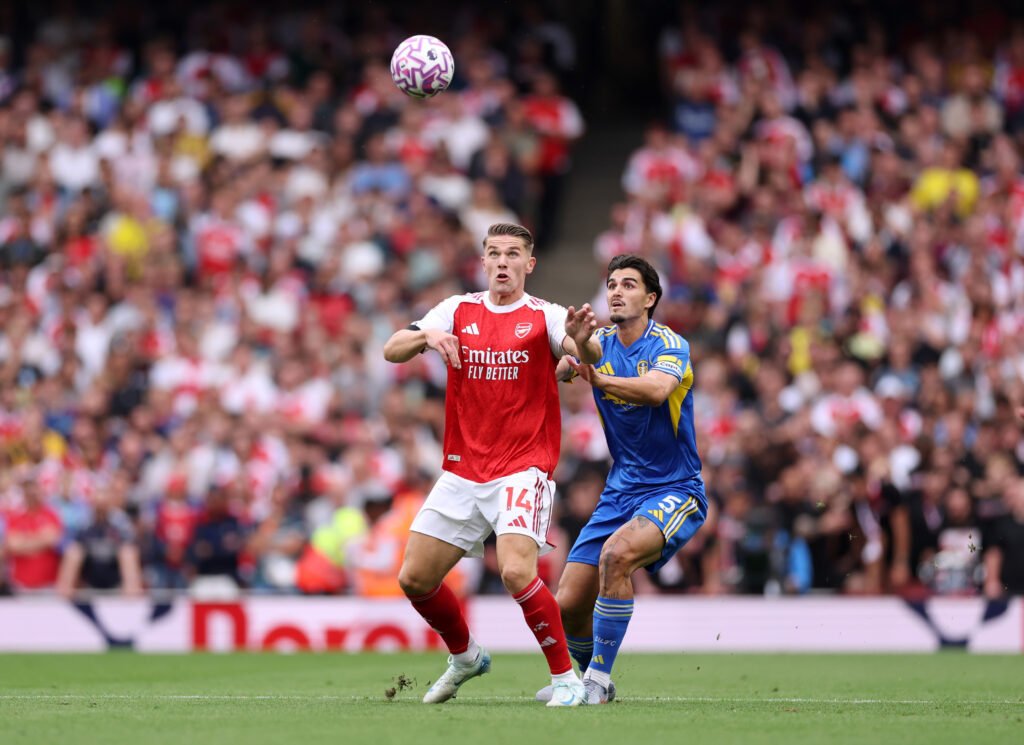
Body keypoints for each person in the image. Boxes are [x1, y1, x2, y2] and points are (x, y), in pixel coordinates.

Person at [382, 222, 601, 707]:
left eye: (513, 254)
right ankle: (465, 656)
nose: (503, 262)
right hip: (463, 469)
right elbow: (391, 348)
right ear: (483, 261)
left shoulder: (546, 316)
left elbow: (588, 352)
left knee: (516, 571)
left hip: (523, 467)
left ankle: (566, 678)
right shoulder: (456, 310)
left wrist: (582, 341)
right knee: (414, 578)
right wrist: (428, 336)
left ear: (529, 264)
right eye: (494, 253)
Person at [539, 253, 708, 704]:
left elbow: (655, 391)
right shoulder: (599, 343)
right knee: (569, 605)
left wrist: (596, 379)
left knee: (615, 557)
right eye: (612, 283)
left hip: (675, 487)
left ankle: (597, 677)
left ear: (650, 298)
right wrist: (568, 359)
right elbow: (566, 363)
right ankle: (586, 677)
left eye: (629, 284)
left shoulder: (670, 344)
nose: (616, 290)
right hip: (621, 489)